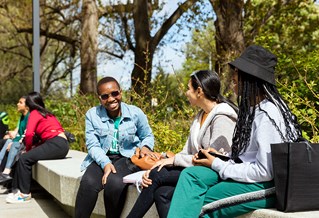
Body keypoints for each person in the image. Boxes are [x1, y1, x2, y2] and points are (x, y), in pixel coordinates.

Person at [167, 45, 302, 218]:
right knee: (191, 175)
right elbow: (249, 155)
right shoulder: (253, 110)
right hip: (248, 176)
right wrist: (220, 157)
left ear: (249, 79)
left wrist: (217, 164)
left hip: (266, 186)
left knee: (198, 205)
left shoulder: (268, 114)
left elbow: (264, 171)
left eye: (236, 76)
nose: (232, 81)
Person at [127, 70, 238, 218]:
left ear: (199, 91)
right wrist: (165, 159)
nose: (186, 93)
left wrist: (171, 161)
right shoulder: (200, 116)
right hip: (196, 169)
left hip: (214, 173)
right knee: (162, 194)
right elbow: (186, 152)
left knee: (157, 174)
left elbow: (215, 157)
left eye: (188, 88)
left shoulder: (223, 117)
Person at [75, 76, 155, 218]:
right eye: (105, 96)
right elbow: (93, 145)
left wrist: (145, 147)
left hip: (127, 157)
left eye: (115, 93)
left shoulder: (136, 113)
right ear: (99, 98)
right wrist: (105, 164)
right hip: (102, 156)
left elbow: (147, 135)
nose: (111, 99)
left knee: (114, 182)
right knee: (88, 183)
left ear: (121, 92)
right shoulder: (92, 115)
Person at [5, 91, 69, 203]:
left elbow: (29, 134)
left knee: (24, 159)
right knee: (27, 157)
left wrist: (28, 149)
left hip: (55, 143)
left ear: (29, 104)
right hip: (62, 144)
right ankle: (20, 191)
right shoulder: (47, 113)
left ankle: (24, 194)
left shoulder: (34, 113)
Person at [0, 96, 29, 183]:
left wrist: (13, 141)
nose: (17, 104)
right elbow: (17, 132)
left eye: (20, 102)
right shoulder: (22, 117)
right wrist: (9, 134)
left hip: (24, 143)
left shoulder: (30, 117)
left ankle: (6, 171)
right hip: (17, 140)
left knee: (12, 144)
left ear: (27, 106)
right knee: (7, 141)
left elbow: (26, 135)